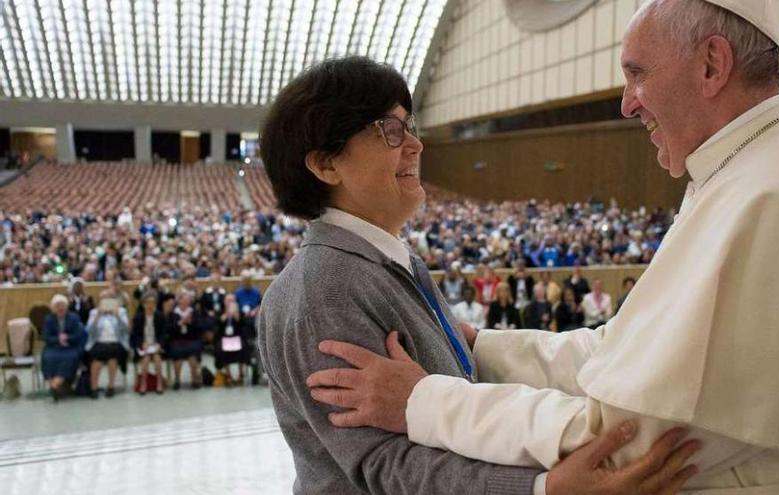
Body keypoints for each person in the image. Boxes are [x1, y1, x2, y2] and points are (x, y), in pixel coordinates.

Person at [305, 2, 779, 493]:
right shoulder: (757, 170)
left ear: (711, 64)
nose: (628, 102)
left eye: (637, 73)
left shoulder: (770, 198)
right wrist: (484, 348)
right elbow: (622, 355)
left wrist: (424, 401)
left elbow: (626, 446)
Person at [257, 56, 696, 495]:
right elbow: (384, 466)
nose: (415, 145)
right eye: (389, 131)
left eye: (410, 126)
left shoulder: (385, 261)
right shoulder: (325, 288)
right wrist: (541, 488)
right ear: (326, 164)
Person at [41, 294, 86, 401]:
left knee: (69, 358)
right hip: (54, 346)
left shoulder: (74, 318)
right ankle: (56, 385)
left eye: (62, 305)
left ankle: (55, 384)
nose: (60, 308)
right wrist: (58, 339)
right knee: (48, 357)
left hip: (71, 347)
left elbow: (79, 335)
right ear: (53, 308)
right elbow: (46, 337)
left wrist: (67, 338)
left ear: (66, 307)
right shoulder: (49, 319)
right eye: (57, 306)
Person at [84, 296, 130, 398]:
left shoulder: (121, 312)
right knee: (97, 359)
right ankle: (94, 387)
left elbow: (126, 329)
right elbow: (89, 331)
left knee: (112, 357)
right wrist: (97, 317)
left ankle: (111, 386)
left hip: (116, 341)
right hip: (99, 341)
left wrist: (117, 316)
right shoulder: (94, 312)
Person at [130, 292, 166, 395]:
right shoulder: (138, 317)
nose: (150, 305)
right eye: (148, 303)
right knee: (145, 359)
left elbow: (164, 334)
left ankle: (159, 383)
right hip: (144, 346)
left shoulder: (160, 316)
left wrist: (159, 344)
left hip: (156, 345)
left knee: (157, 359)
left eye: (153, 303)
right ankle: (143, 384)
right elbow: (134, 336)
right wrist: (141, 344)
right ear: (143, 304)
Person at [166, 290, 202, 390]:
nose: (186, 302)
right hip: (177, 339)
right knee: (177, 354)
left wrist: (191, 322)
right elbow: (169, 329)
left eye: (188, 300)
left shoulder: (194, 311)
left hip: (192, 339)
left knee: (193, 355)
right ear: (179, 301)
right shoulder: (173, 313)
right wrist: (180, 323)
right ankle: (177, 380)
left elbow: (200, 327)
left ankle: (194, 379)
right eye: (184, 299)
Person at [214, 294, 248, 385]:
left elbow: (243, 326)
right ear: (224, 302)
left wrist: (236, 316)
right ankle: (228, 375)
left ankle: (241, 374)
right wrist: (224, 317)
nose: (230, 303)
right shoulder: (220, 312)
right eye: (228, 300)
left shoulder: (239, 312)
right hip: (224, 338)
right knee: (221, 349)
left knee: (243, 347)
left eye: (232, 300)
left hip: (236, 337)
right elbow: (217, 326)